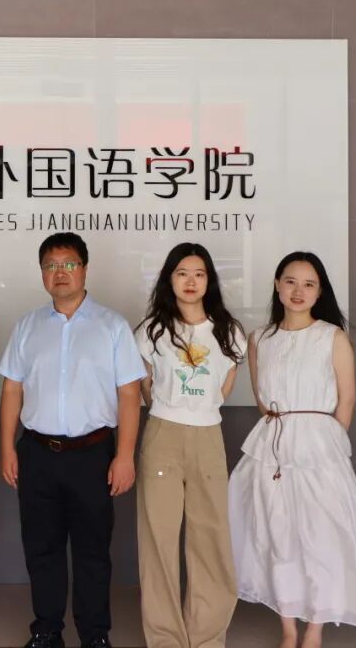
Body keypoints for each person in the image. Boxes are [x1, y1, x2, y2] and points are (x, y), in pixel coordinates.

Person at [228, 252, 356, 647]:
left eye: (309, 284)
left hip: (319, 447)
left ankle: (315, 629)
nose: (299, 291)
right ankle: (288, 628)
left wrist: (327, 445)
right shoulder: (259, 338)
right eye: (291, 281)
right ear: (277, 285)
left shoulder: (332, 337)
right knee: (275, 533)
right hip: (272, 445)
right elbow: (262, 400)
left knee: (320, 535)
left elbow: (347, 400)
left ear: (319, 291)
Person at [0, 232, 145, 648]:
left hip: (93, 454)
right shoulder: (27, 326)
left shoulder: (112, 326)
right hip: (37, 453)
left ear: (84, 269)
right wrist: (7, 447)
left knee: (92, 551)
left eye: (68, 264)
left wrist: (125, 456)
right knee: (41, 548)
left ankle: (95, 635)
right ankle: (47, 630)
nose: (59, 272)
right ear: (41, 273)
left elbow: (129, 394)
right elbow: (12, 389)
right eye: (51, 265)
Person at [133, 242, 245, 648]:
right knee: (158, 540)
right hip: (162, 433)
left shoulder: (228, 331)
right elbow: (144, 385)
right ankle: (165, 638)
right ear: (170, 279)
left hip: (208, 436)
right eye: (182, 273)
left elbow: (225, 388)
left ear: (209, 280)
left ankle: (206, 636)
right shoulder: (151, 330)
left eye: (199, 274)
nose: (191, 281)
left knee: (210, 538)